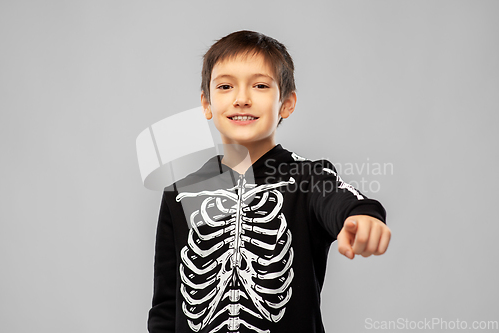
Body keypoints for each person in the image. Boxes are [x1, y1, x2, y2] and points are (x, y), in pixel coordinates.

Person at [148, 30, 391, 333]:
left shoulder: (309, 179)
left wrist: (363, 217)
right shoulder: (179, 192)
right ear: (206, 104)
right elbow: (166, 305)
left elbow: (344, 202)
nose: (241, 99)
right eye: (225, 86)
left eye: (260, 85)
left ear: (287, 104)